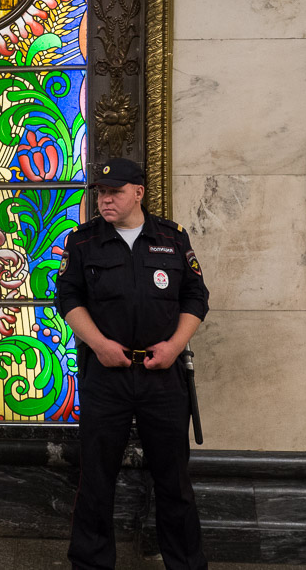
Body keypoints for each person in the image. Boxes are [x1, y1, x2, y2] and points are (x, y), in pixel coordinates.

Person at [56, 158, 209, 570]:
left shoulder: (172, 238)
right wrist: (99, 344)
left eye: (115, 192)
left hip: (163, 377)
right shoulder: (84, 241)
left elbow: (196, 296)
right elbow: (67, 297)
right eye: (101, 193)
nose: (105, 200)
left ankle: (186, 564)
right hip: (106, 375)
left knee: (174, 480)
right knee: (96, 479)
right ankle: (91, 564)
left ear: (138, 193)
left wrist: (175, 346)